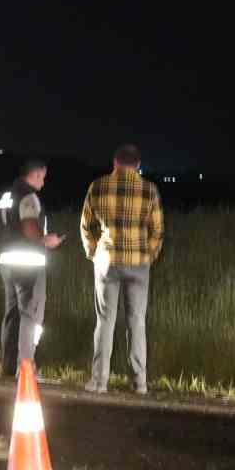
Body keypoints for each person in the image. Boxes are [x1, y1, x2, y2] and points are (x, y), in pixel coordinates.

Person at [79, 144, 163, 394]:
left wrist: (93, 252)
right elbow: (157, 230)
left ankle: (99, 382)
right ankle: (139, 383)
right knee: (136, 322)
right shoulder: (150, 190)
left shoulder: (98, 186)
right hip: (138, 263)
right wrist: (149, 254)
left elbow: (86, 225)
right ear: (137, 165)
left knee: (105, 321)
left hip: (107, 261)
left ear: (115, 163)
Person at [0, 158, 63, 375]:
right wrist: (46, 240)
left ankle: (7, 367)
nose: (43, 183)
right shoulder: (29, 197)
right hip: (27, 261)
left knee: (12, 314)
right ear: (34, 175)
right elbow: (28, 227)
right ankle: (25, 367)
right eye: (42, 178)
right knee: (30, 314)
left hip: (6, 259)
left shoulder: (7, 195)